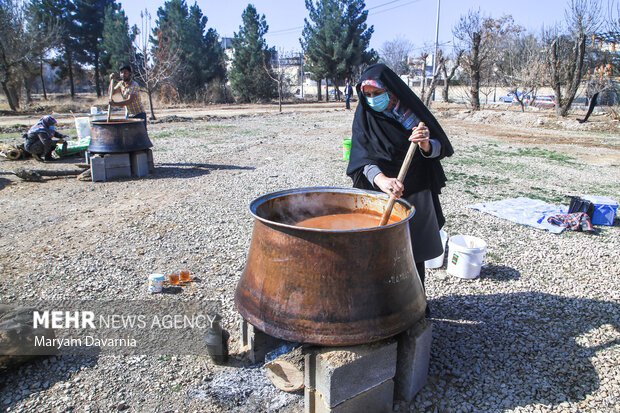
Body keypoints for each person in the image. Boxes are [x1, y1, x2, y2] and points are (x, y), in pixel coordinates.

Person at [346, 64, 453, 315]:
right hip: (381, 196)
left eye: (376, 93)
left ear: (391, 91)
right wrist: (382, 180)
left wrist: (426, 143)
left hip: (416, 192)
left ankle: (416, 305)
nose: (372, 100)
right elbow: (361, 160)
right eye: (367, 95)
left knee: (413, 253)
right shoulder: (365, 118)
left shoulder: (415, 118)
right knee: (381, 253)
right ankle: (383, 307)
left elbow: (440, 148)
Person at [109, 64, 147, 130]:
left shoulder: (134, 85)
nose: (123, 74)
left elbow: (129, 101)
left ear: (130, 73)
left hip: (139, 114)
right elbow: (111, 92)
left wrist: (115, 104)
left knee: (140, 136)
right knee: (129, 136)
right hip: (129, 115)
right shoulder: (121, 84)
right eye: (121, 73)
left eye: (125, 72)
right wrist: (111, 81)